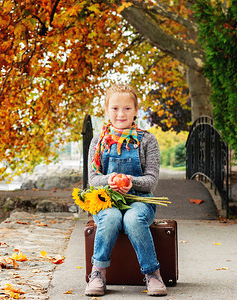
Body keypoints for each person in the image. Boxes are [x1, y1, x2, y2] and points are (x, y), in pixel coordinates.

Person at [85, 84, 166, 297]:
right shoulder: (98, 141)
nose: (121, 114)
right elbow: (93, 180)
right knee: (110, 218)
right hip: (106, 201)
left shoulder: (147, 140)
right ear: (106, 110)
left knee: (132, 219)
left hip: (140, 200)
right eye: (115, 108)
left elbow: (151, 181)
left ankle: (152, 273)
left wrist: (131, 182)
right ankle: (98, 273)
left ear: (136, 110)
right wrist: (108, 180)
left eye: (127, 108)